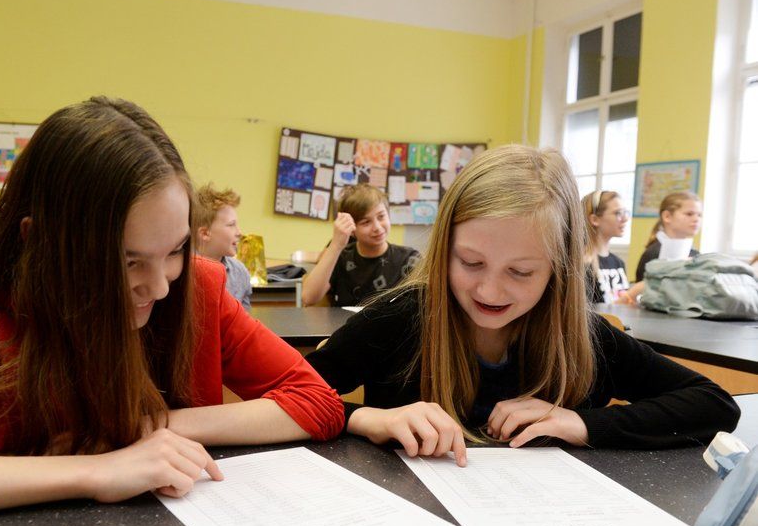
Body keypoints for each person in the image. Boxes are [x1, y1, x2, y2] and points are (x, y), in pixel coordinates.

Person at [0, 97, 343, 523]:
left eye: (174, 250)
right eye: (128, 261)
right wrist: (94, 470)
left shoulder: (198, 288)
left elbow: (317, 403)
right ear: (43, 247)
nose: (158, 286)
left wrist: (144, 425)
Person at [305, 145, 738, 464]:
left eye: (521, 272)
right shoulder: (403, 317)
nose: (490, 292)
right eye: (471, 262)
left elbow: (714, 403)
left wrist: (583, 424)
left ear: (559, 270)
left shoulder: (581, 336)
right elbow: (290, 394)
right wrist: (367, 419)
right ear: (444, 250)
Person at [301, 184, 420, 306]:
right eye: (366, 222)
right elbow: (308, 297)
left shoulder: (409, 259)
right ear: (352, 228)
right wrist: (336, 245)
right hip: (345, 323)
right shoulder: (340, 258)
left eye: (381, 216)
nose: (377, 228)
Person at [194, 183, 252, 310]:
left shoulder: (240, 273)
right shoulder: (181, 272)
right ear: (205, 233)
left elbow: (244, 324)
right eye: (231, 225)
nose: (239, 232)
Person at [634, 191, 702, 282]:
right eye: (689, 214)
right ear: (667, 216)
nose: (696, 219)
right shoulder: (654, 253)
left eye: (699, 215)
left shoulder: (695, 254)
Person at [581, 190, 632, 304]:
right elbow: (587, 314)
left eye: (625, 212)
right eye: (618, 213)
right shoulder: (582, 264)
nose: (625, 219)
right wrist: (634, 292)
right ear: (595, 219)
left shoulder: (618, 263)